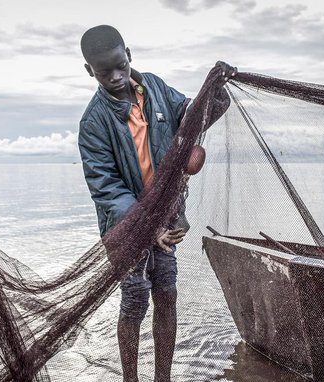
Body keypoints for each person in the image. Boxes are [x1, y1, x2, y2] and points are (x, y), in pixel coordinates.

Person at [77, 25, 234, 382]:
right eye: (104, 72)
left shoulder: (157, 89)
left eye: (119, 65)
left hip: (168, 220)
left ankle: (162, 378)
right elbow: (107, 189)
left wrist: (216, 91)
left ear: (128, 54)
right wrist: (147, 227)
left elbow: (193, 116)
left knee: (167, 293)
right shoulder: (93, 123)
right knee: (134, 299)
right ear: (90, 71)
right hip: (126, 227)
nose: (115, 76)